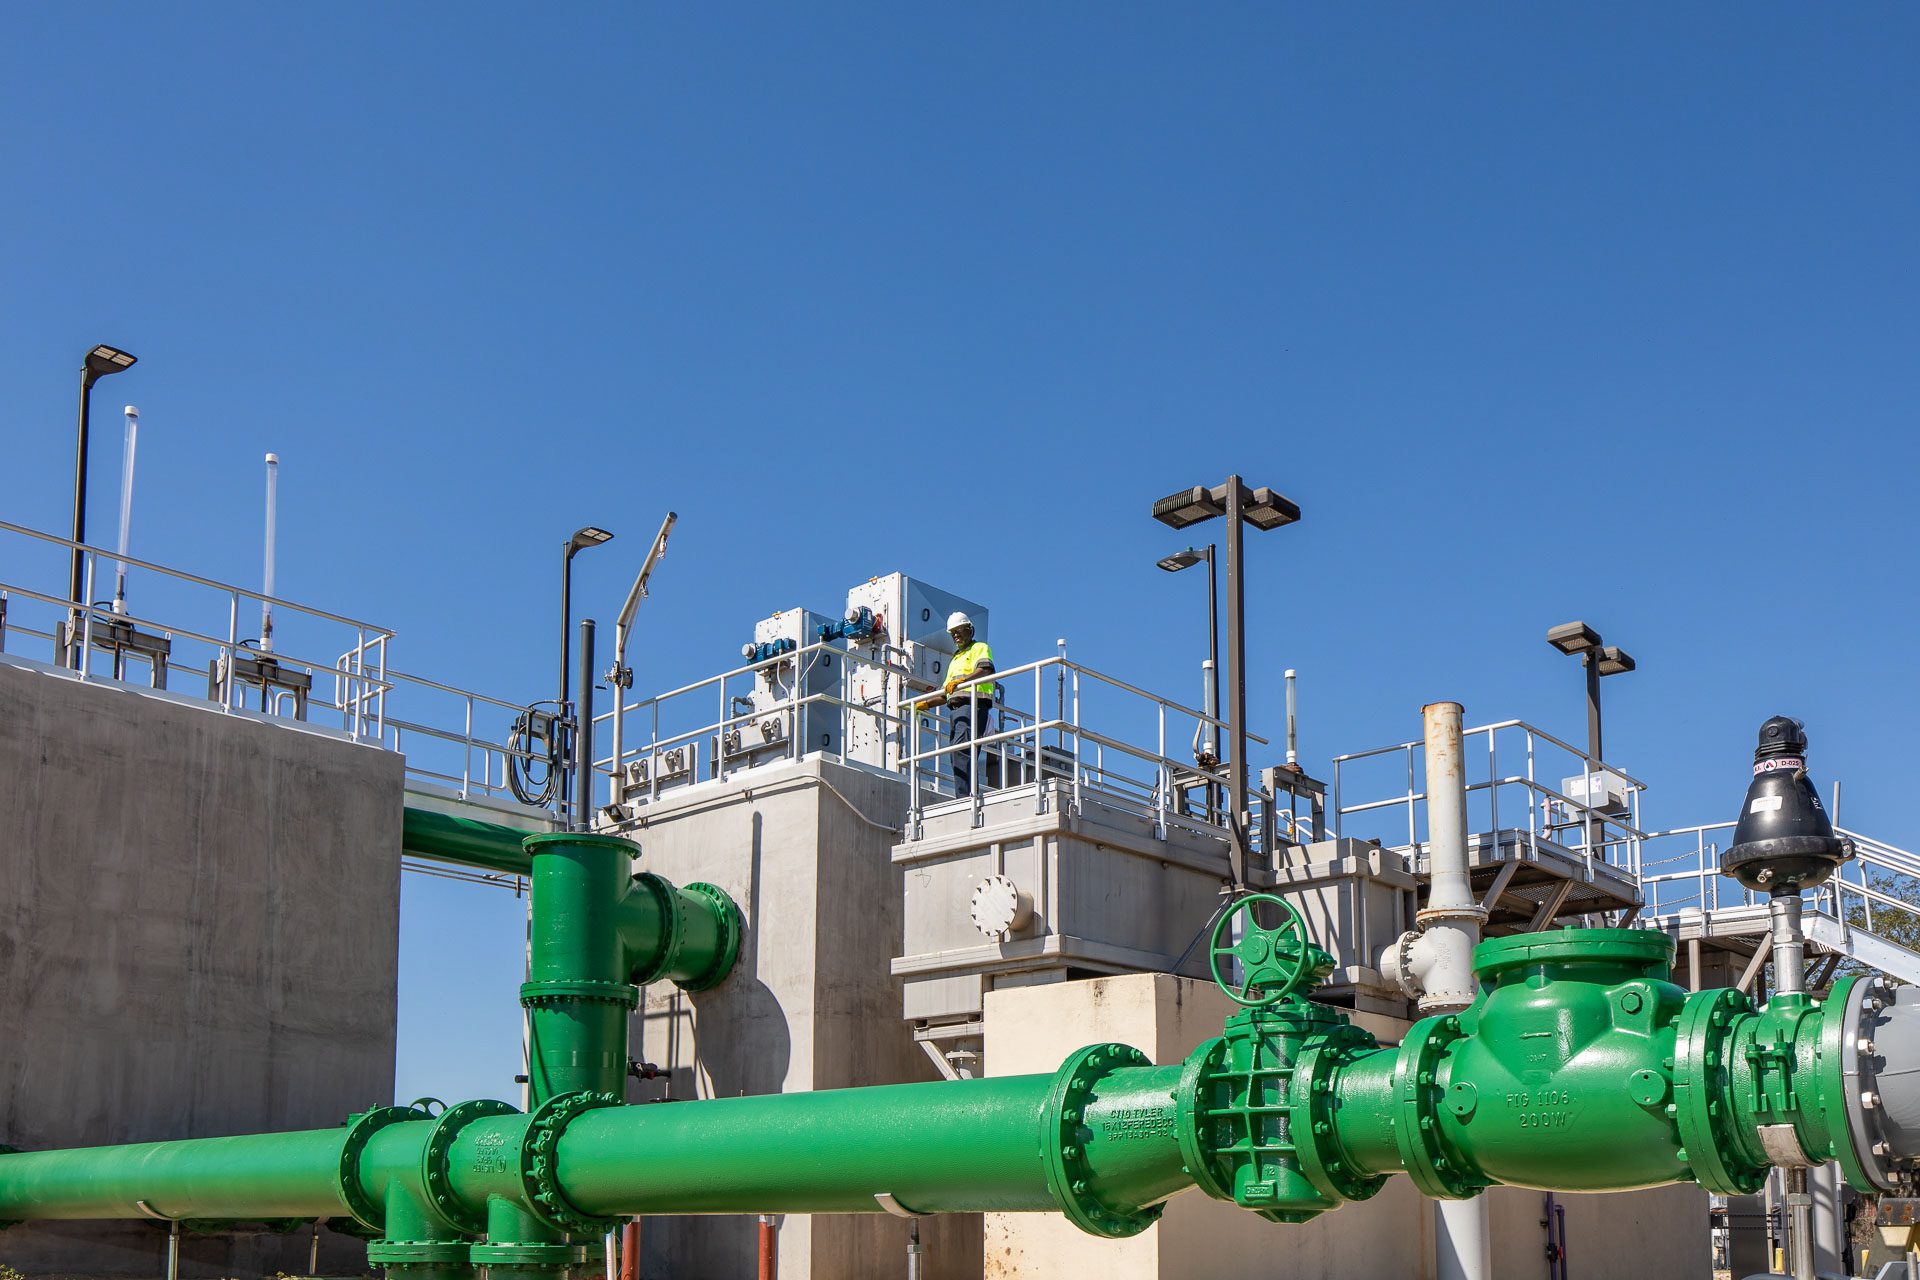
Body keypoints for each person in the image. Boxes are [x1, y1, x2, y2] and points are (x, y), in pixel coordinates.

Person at [918, 611, 997, 797]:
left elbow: (985, 670)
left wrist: (962, 681)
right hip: (956, 709)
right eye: (952, 633)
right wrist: (926, 703)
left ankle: (966, 798)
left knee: (962, 751)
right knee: (956, 754)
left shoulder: (979, 648)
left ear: (969, 629)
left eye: (959, 630)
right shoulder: (955, 658)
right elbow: (948, 692)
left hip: (973, 706)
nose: (956, 635)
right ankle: (964, 796)